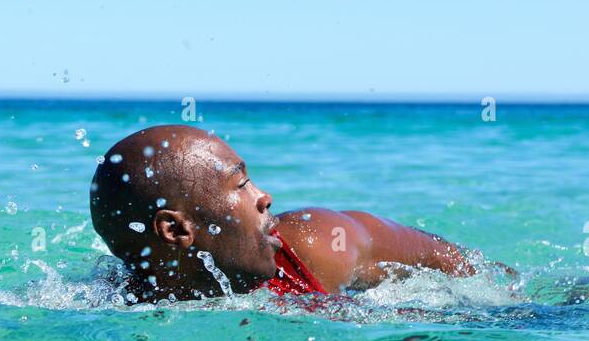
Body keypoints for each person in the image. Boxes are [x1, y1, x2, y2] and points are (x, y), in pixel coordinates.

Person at [89, 124, 478, 303]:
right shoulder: (115, 305)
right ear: (175, 230)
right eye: (242, 187)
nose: (264, 197)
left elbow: (447, 261)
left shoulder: (315, 245)